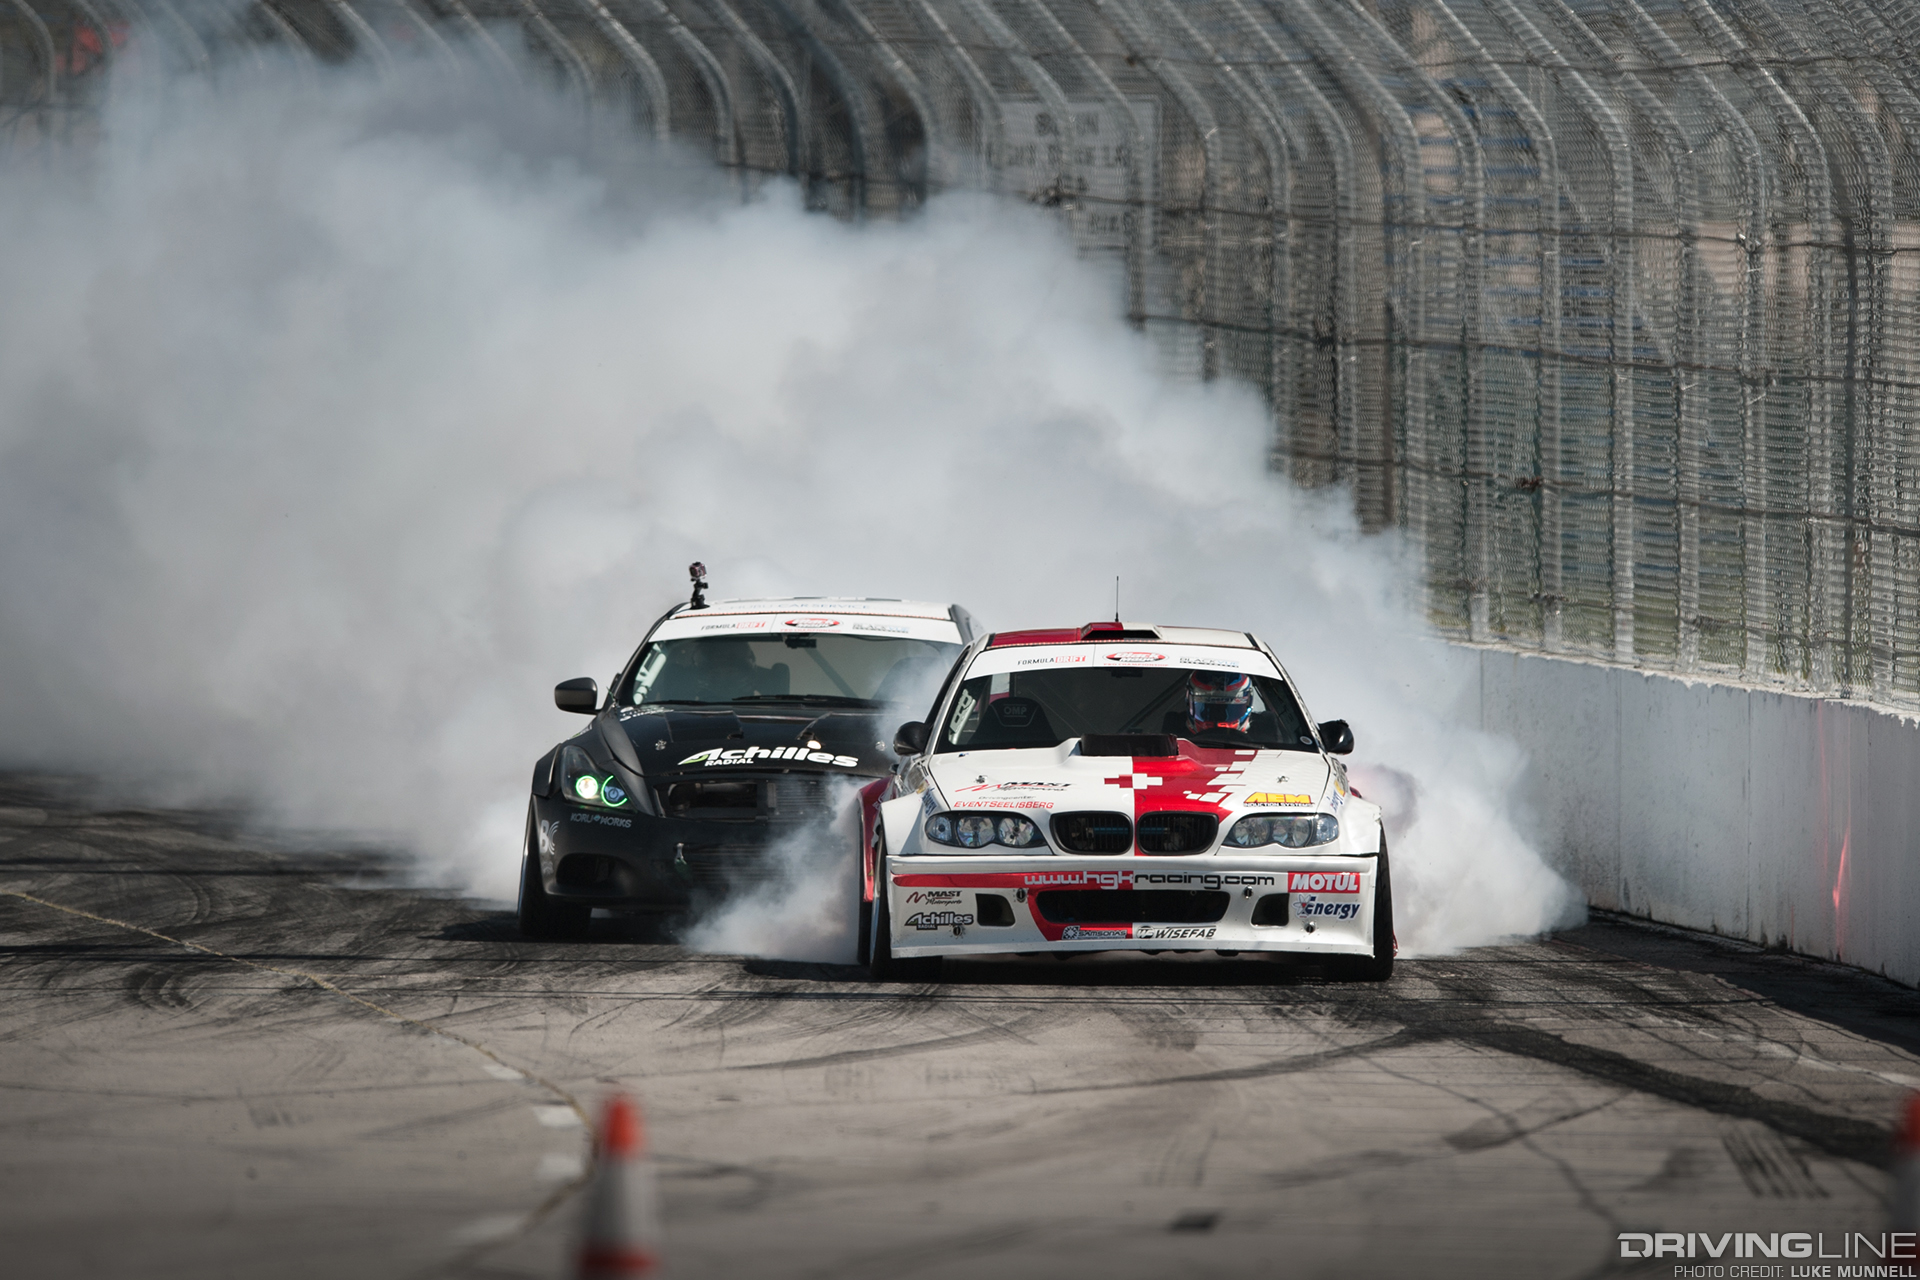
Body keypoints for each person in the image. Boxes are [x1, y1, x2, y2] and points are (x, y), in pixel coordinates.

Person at [1186, 670, 1255, 737]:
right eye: (1212, 710)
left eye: (1232, 709)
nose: (1218, 722)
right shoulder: (1257, 737)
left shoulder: (1259, 732)